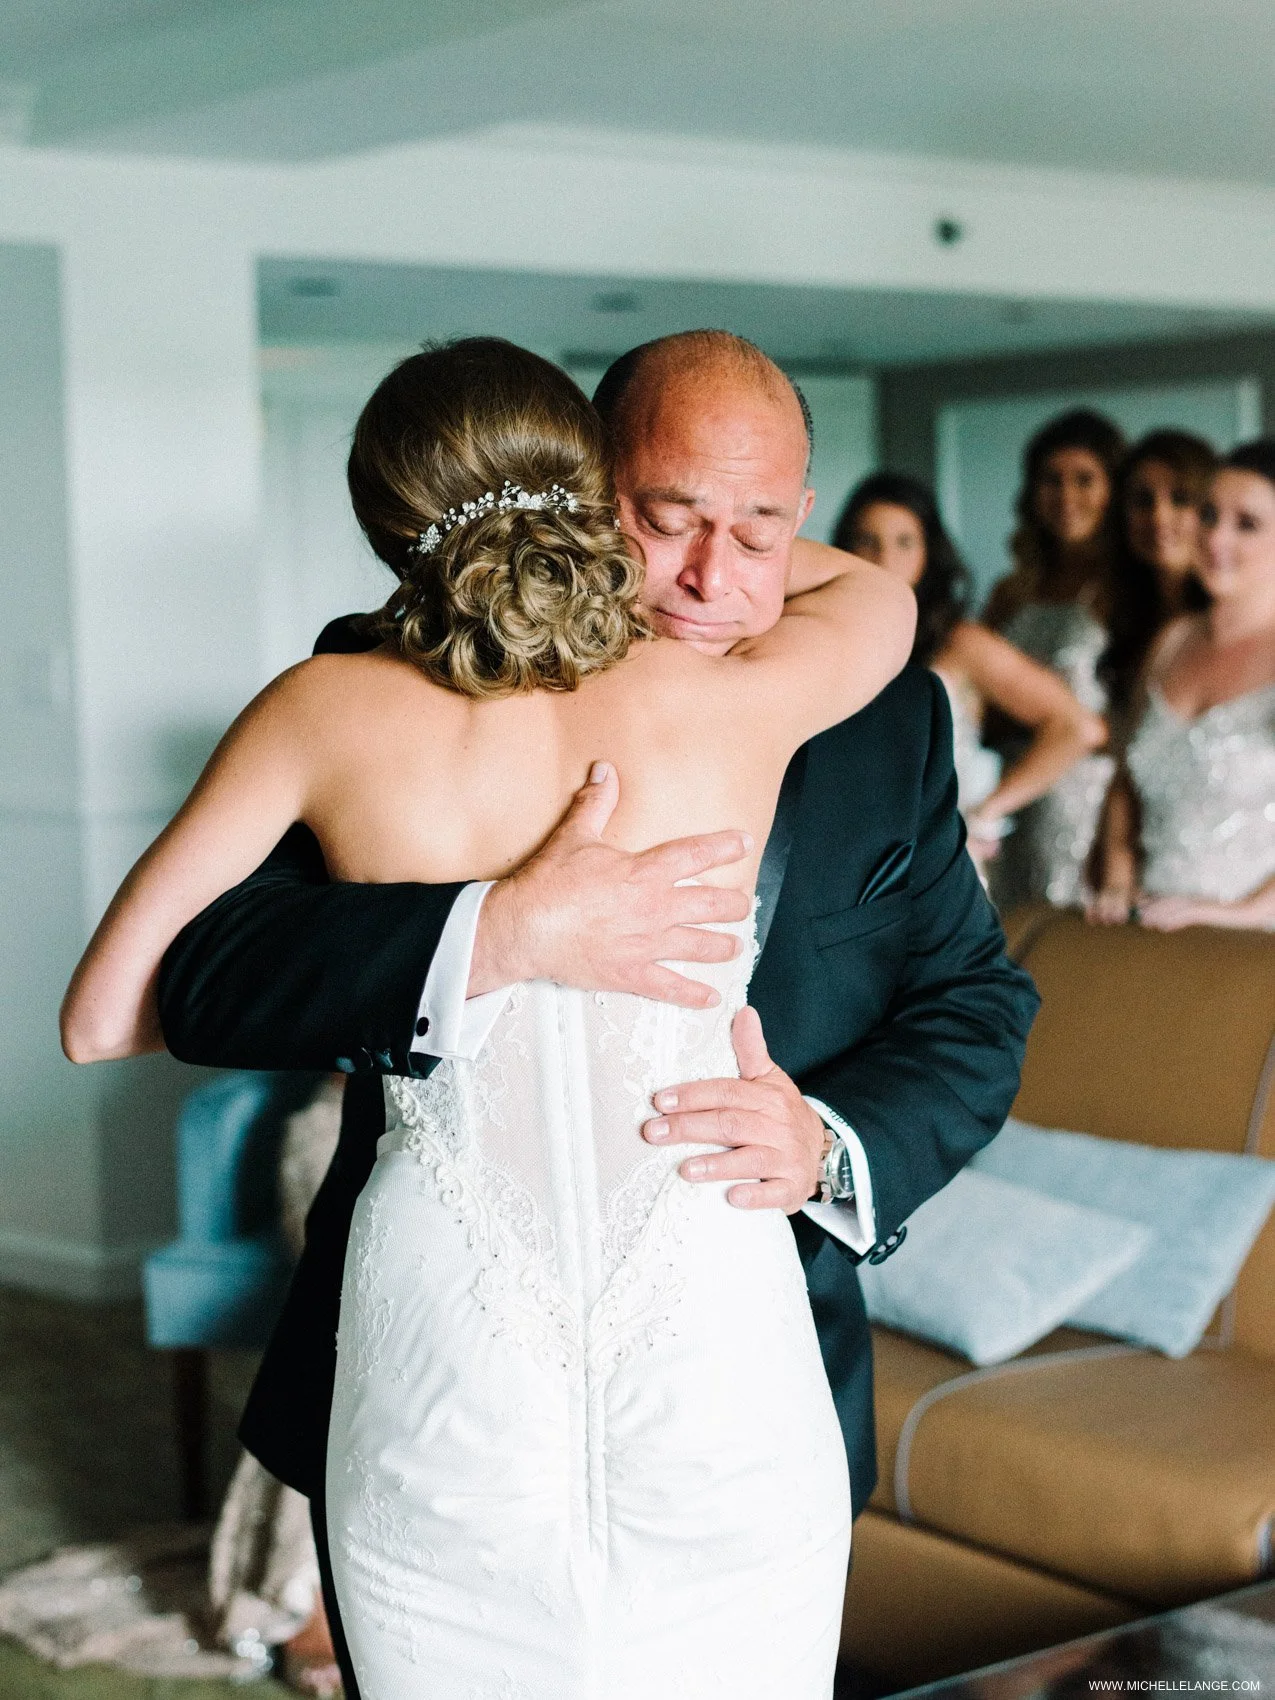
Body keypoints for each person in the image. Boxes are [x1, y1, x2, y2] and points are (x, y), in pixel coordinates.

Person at [70, 331, 1038, 1698]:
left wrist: (824, 1143)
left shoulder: (876, 721)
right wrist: (488, 932)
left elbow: (973, 1001)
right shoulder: (680, 695)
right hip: (441, 1342)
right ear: (587, 489)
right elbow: (215, 972)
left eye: (760, 529)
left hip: (721, 1319)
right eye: (667, 521)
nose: (716, 578)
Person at [834, 473, 1105, 881]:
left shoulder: (960, 644)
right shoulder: (830, 644)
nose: (885, 559)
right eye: (867, 541)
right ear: (845, 548)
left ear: (928, 552)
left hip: (944, 869)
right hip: (855, 864)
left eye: (904, 542)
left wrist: (986, 813)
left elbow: (1078, 728)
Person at [1089, 439, 1275, 932]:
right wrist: (1118, 875)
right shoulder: (1173, 640)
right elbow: (1125, 782)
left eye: (1248, 524)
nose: (1215, 538)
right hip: (1152, 933)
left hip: (1255, 946)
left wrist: (1242, 914)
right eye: (1209, 514)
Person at [983, 408, 1126, 909]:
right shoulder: (1012, 591)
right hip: (1012, 783)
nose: (1066, 496)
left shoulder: (1124, 591)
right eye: (1051, 480)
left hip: (1084, 792)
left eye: (1084, 480)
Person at [1097, 429, 1216, 722]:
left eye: (1180, 499)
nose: (1159, 517)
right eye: (1143, 500)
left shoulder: (1228, 619)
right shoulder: (1115, 611)